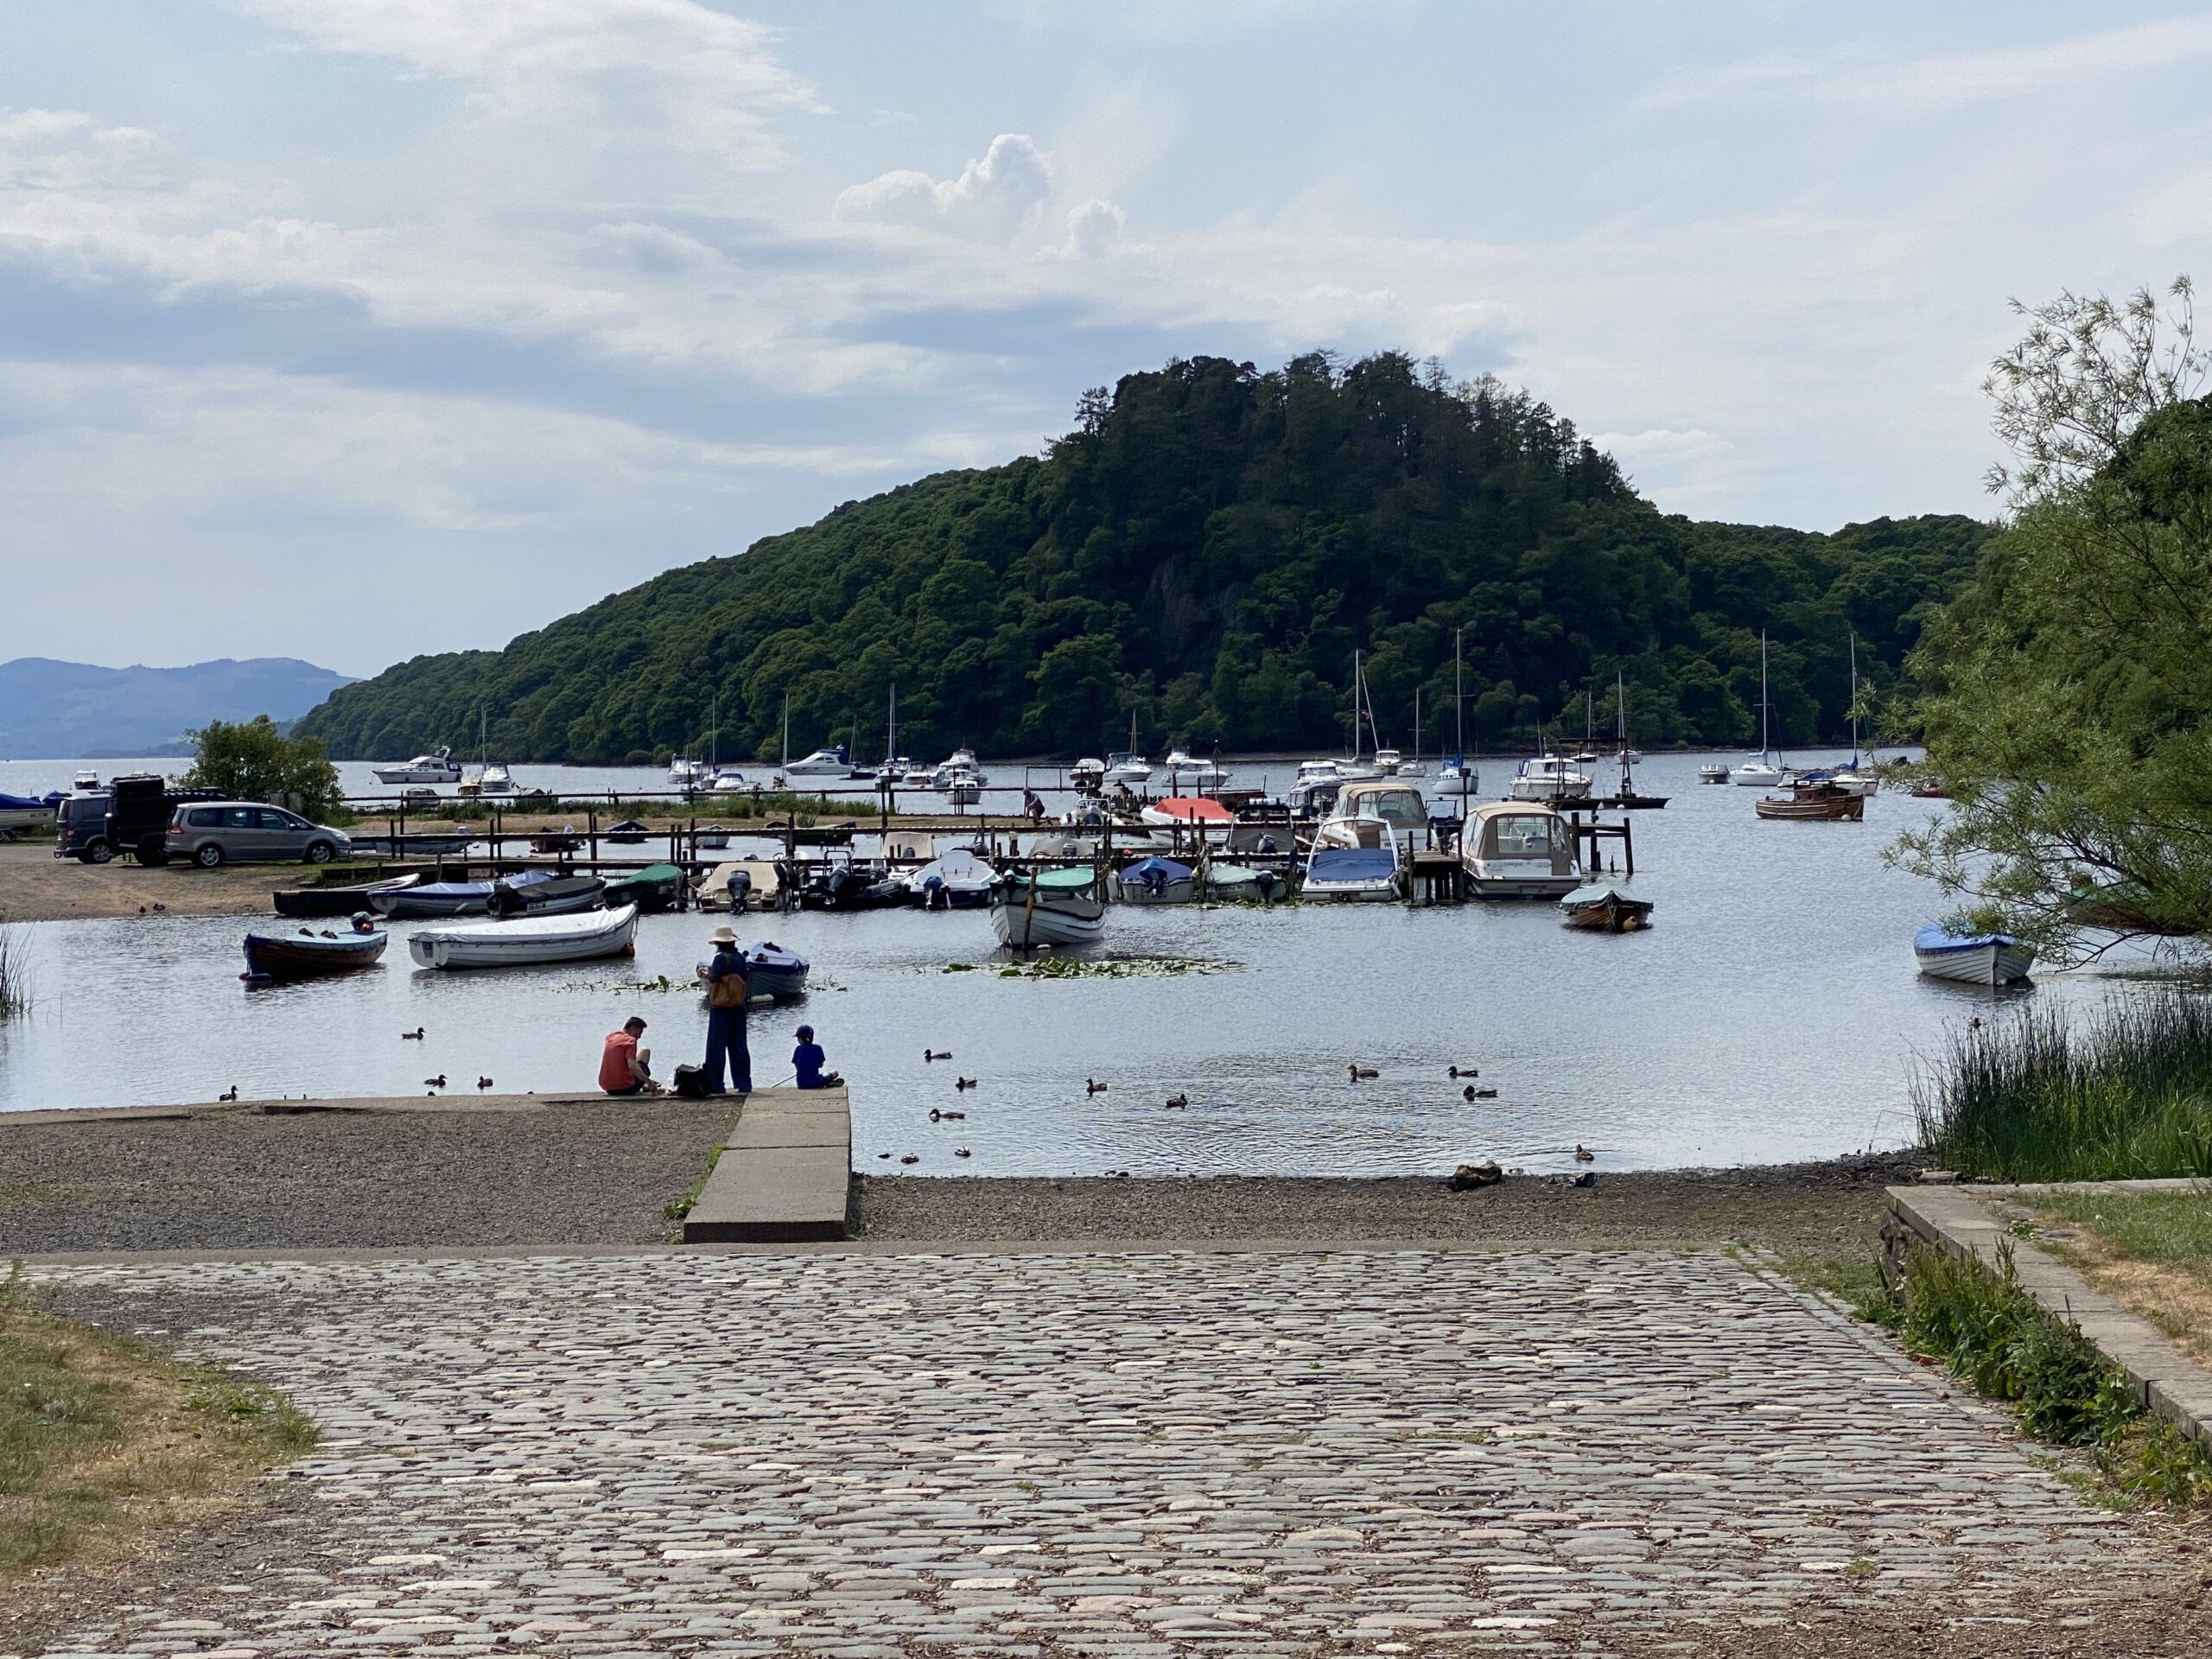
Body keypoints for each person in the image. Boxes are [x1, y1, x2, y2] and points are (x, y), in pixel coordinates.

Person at [702, 924, 752, 1096]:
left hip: (721, 1007)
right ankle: (744, 1083)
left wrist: (705, 973)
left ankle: (716, 1084)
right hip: (739, 1005)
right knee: (739, 1045)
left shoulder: (720, 958)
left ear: (718, 943)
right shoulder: (740, 958)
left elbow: (714, 977)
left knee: (716, 1046)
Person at [599, 1016, 663, 1096]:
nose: (640, 1037)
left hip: (608, 1088)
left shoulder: (610, 1037)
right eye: (640, 1032)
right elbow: (632, 1066)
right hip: (626, 1088)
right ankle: (645, 1084)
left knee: (645, 1051)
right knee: (642, 1066)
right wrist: (649, 1083)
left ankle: (643, 1083)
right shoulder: (630, 1041)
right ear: (632, 1028)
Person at [791, 1024, 842, 1090]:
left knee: (813, 1077)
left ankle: (827, 1083)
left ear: (800, 1038)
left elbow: (797, 1066)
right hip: (816, 1082)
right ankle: (827, 1082)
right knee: (835, 1072)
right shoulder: (818, 1048)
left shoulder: (798, 1049)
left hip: (801, 1084)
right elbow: (820, 1065)